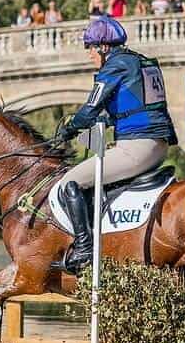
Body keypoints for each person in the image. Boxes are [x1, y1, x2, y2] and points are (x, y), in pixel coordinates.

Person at [54, 16, 178, 273]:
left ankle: (85, 249)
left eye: (90, 47)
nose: (89, 54)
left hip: (136, 147)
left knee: (69, 183)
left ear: (103, 47)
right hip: (157, 144)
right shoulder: (141, 62)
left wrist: (68, 128)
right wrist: (102, 121)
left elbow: (89, 110)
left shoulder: (115, 65)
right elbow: (129, 110)